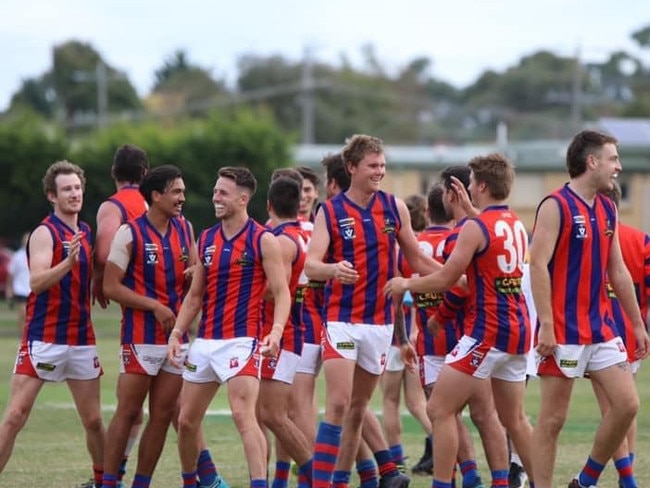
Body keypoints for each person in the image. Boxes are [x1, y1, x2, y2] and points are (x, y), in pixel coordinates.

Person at [384, 154, 534, 488]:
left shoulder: (474, 228)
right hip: (519, 332)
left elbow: (449, 278)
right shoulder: (514, 223)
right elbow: (491, 240)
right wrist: (470, 211)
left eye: (470, 184)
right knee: (513, 418)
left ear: (480, 185)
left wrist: (406, 283)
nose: (467, 190)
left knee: (438, 409)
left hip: (487, 332)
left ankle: (443, 484)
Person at [305, 134, 438, 488]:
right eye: (373, 166)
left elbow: (415, 258)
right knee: (337, 403)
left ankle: (349, 480)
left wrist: (451, 275)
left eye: (382, 165)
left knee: (357, 409)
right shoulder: (330, 211)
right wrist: (333, 270)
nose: (380, 171)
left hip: (379, 324)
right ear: (352, 168)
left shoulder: (395, 207)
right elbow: (311, 265)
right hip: (341, 321)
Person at [529, 129, 650, 488]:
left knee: (627, 406)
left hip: (601, 328)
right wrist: (547, 324)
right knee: (552, 421)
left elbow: (619, 271)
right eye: (613, 159)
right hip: (563, 330)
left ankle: (585, 481)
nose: (618, 167)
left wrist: (638, 324)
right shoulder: (555, 205)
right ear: (591, 161)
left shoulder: (608, 207)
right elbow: (537, 265)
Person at [167, 166, 291, 488]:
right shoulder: (206, 238)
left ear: (242, 198)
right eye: (215, 191)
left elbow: (281, 292)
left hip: (242, 341)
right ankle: (191, 482)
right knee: (186, 420)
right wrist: (177, 333)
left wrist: (275, 332)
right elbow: (195, 297)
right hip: (206, 341)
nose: (215, 197)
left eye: (222, 192)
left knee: (242, 416)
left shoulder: (263, 239)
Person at [0, 161, 106, 486]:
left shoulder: (86, 231)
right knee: (16, 416)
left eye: (77, 188)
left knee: (93, 420)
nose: (74, 194)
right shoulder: (46, 233)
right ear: (52, 195)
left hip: (81, 339)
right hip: (44, 337)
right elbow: (36, 282)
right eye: (67, 189)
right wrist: (68, 262)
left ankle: (103, 481)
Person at [100, 165, 195, 488]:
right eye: (176, 191)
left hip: (175, 340)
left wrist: (195, 277)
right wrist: (153, 305)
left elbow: (193, 275)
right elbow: (110, 287)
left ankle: (142, 483)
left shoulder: (186, 229)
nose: (182, 197)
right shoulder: (130, 233)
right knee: (127, 413)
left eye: (182, 191)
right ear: (156, 196)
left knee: (163, 414)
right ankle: (109, 482)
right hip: (140, 339)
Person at [258, 176, 314, 488]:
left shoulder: (281, 241)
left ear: (268, 205)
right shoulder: (296, 234)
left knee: (273, 415)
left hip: (283, 332)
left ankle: (317, 477)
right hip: (290, 330)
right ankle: (275, 480)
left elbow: (270, 291)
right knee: (266, 413)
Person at [598, 181, 650, 488]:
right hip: (632, 333)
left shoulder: (594, 239)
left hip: (603, 331)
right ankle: (626, 467)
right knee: (624, 408)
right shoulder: (642, 241)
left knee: (611, 409)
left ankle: (625, 476)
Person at [381, 193, 432, 473]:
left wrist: (406, 333)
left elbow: (402, 297)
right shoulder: (425, 248)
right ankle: (441, 441)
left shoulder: (403, 251)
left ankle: (396, 457)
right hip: (419, 330)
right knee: (417, 402)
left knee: (390, 399)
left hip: (397, 332)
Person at [6, 232, 30, 336]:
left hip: (33, 290)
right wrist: (9, 290)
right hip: (21, 290)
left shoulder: (36, 254)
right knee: (23, 315)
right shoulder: (17, 257)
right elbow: (11, 275)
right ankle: (22, 338)